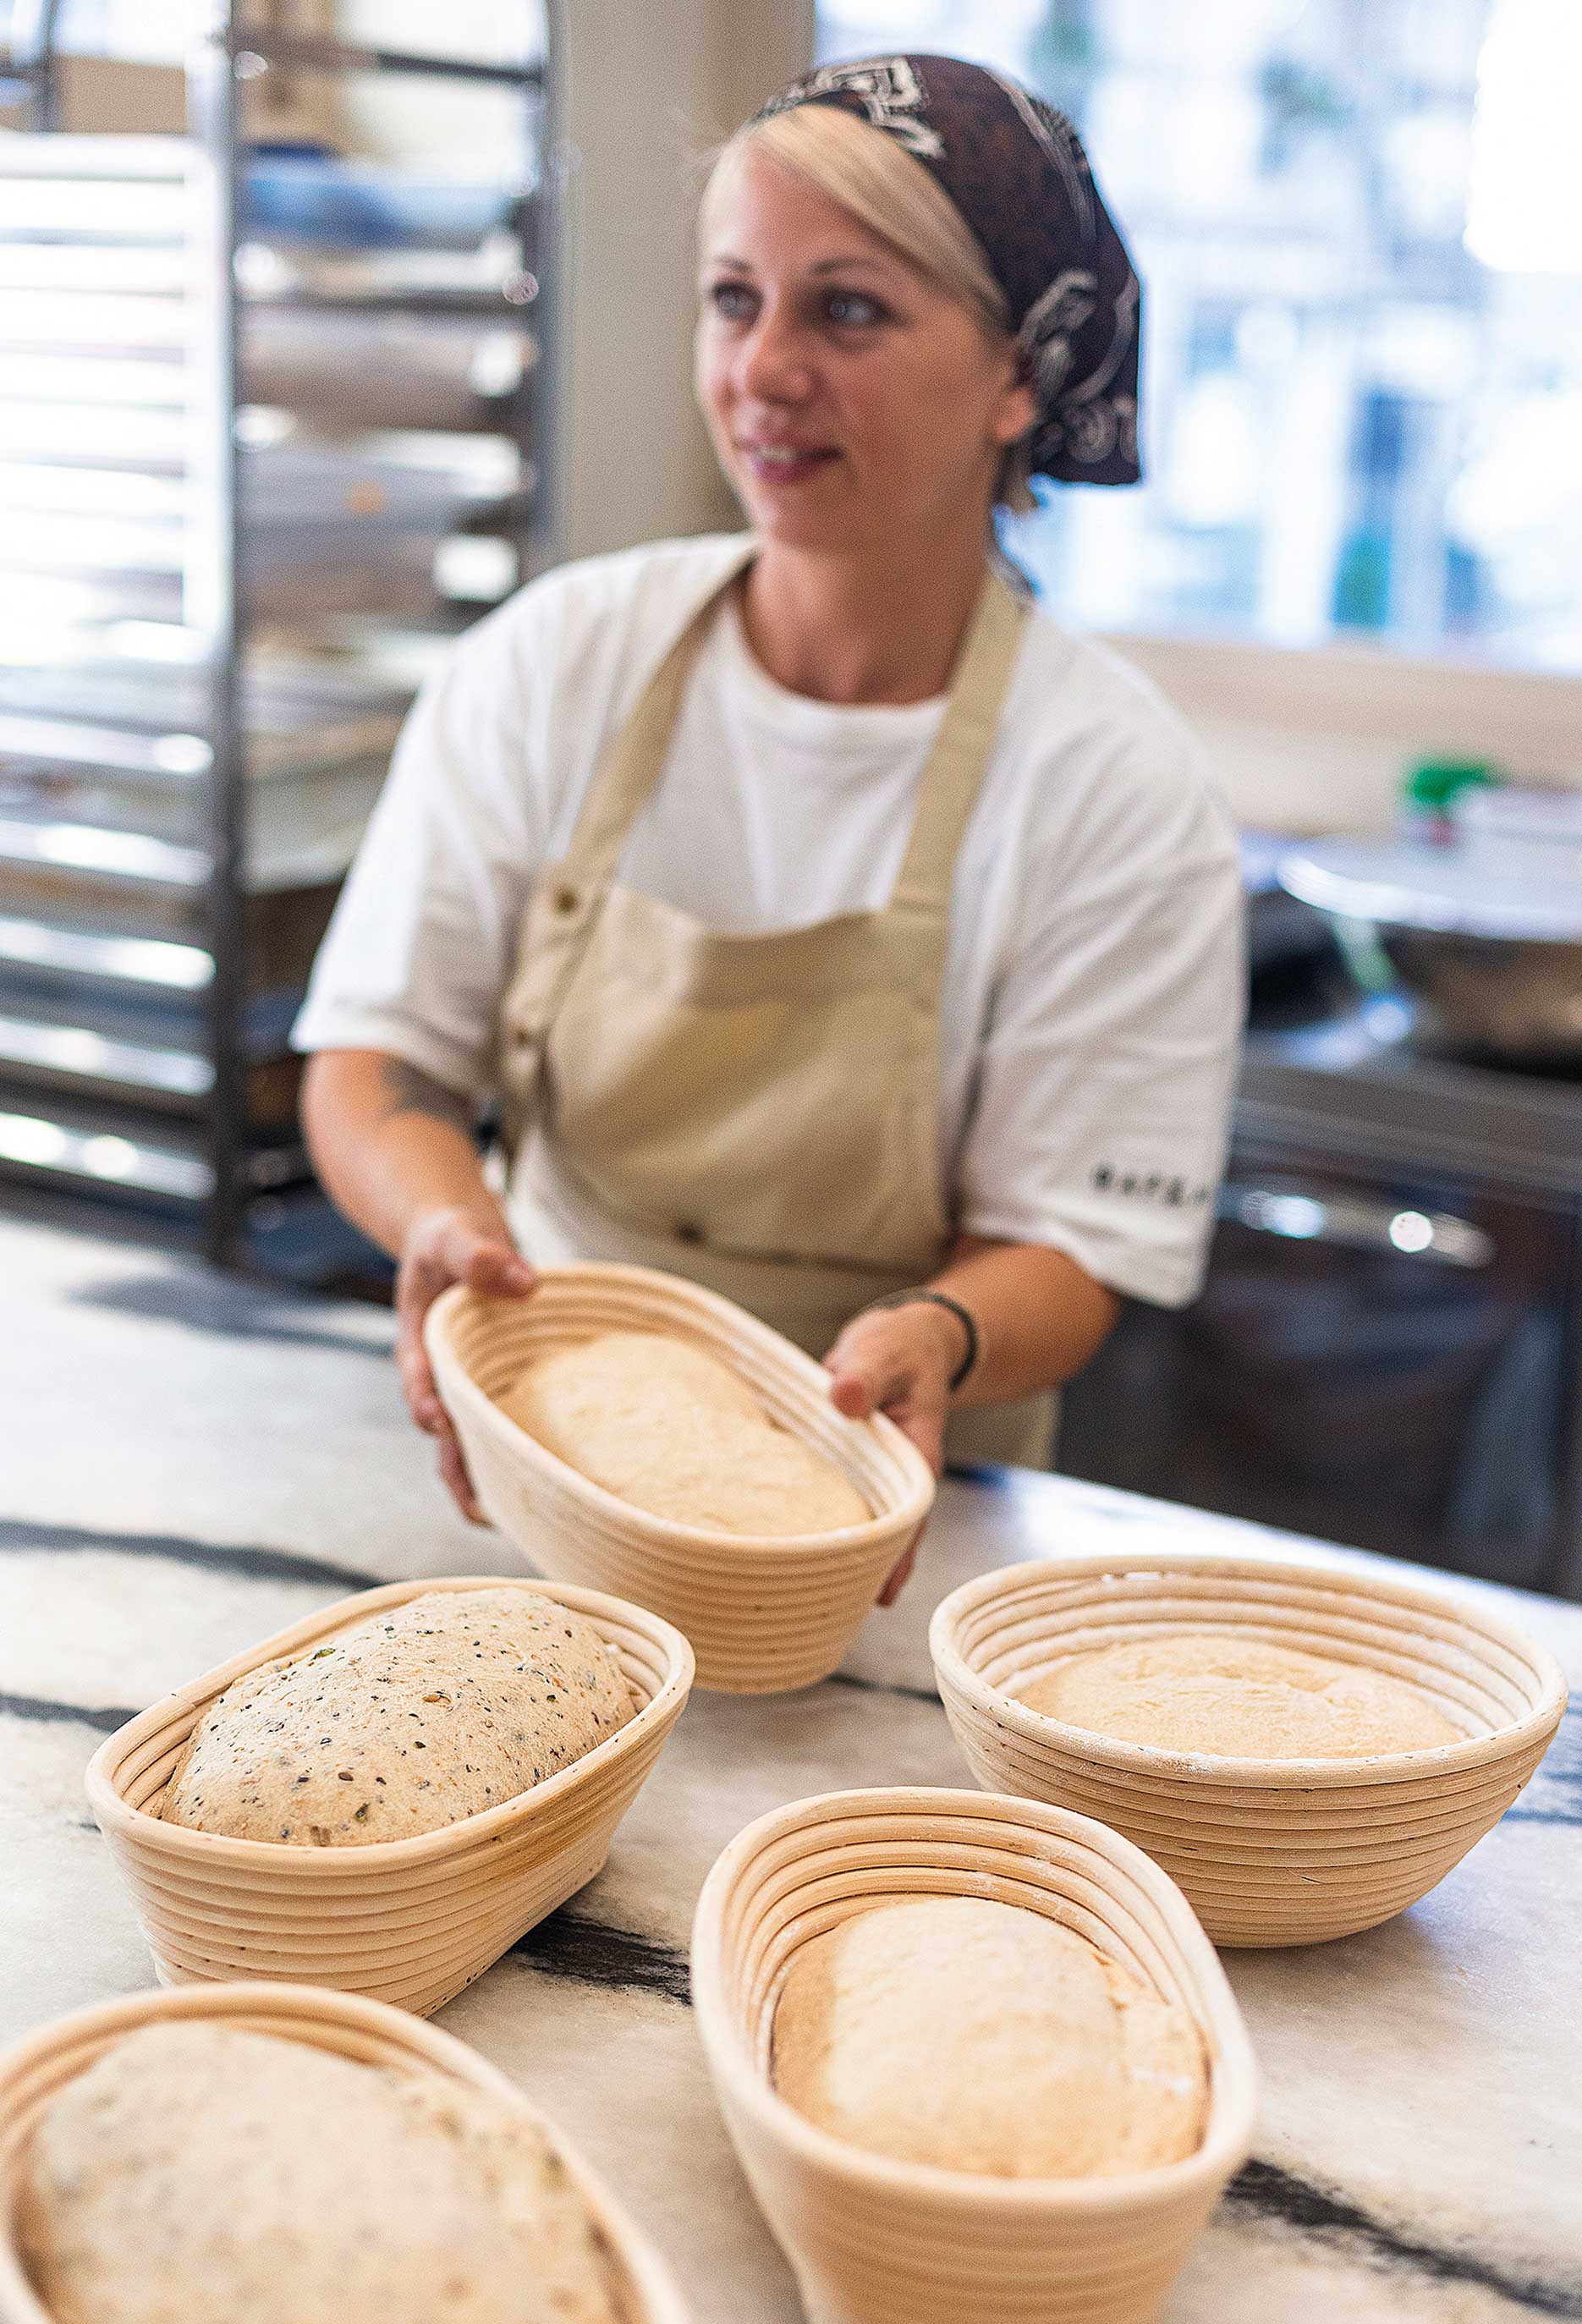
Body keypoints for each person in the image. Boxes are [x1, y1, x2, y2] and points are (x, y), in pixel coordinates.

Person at [294, 52, 1244, 1600]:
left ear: (1020, 372)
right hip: (538, 1450)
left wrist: (933, 1336)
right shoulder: (556, 662)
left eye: (848, 309)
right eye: (735, 300)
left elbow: (1073, 1247)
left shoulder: (1110, 786)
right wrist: (453, 1235)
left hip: (907, 1506)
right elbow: (378, 1062)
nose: (765, 371)